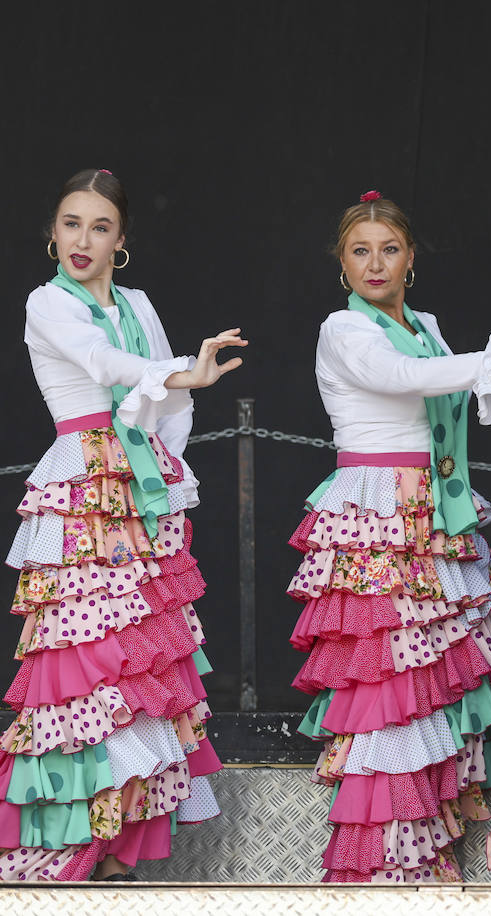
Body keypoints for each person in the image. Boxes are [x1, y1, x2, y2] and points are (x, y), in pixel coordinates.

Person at [288, 191, 491, 883]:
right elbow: (400, 379)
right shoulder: (343, 329)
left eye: (389, 248)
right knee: (388, 683)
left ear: (411, 257)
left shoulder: (425, 323)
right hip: (377, 515)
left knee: (431, 683)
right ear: (342, 263)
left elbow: (438, 383)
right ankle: (383, 868)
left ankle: (426, 857)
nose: (375, 263)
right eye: (361, 250)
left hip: (432, 513)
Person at [0, 168, 244, 880]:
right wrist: (177, 376)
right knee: (85, 663)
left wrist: (164, 458)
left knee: (142, 660)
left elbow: (175, 405)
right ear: (52, 233)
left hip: (143, 492)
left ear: (121, 240)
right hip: (82, 488)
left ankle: (115, 855)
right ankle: (59, 853)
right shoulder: (48, 301)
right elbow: (105, 363)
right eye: (71, 224)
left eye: (100, 226)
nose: (83, 239)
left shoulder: (136, 301)